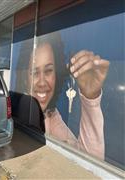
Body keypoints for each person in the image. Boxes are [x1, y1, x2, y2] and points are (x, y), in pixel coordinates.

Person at [16, 32, 109, 160]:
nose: (42, 82)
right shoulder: (18, 115)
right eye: (34, 72)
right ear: (25, 78)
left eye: (48, 70)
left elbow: (87, 162)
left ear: (56, 75)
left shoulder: (50, 115)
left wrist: (90, 98)